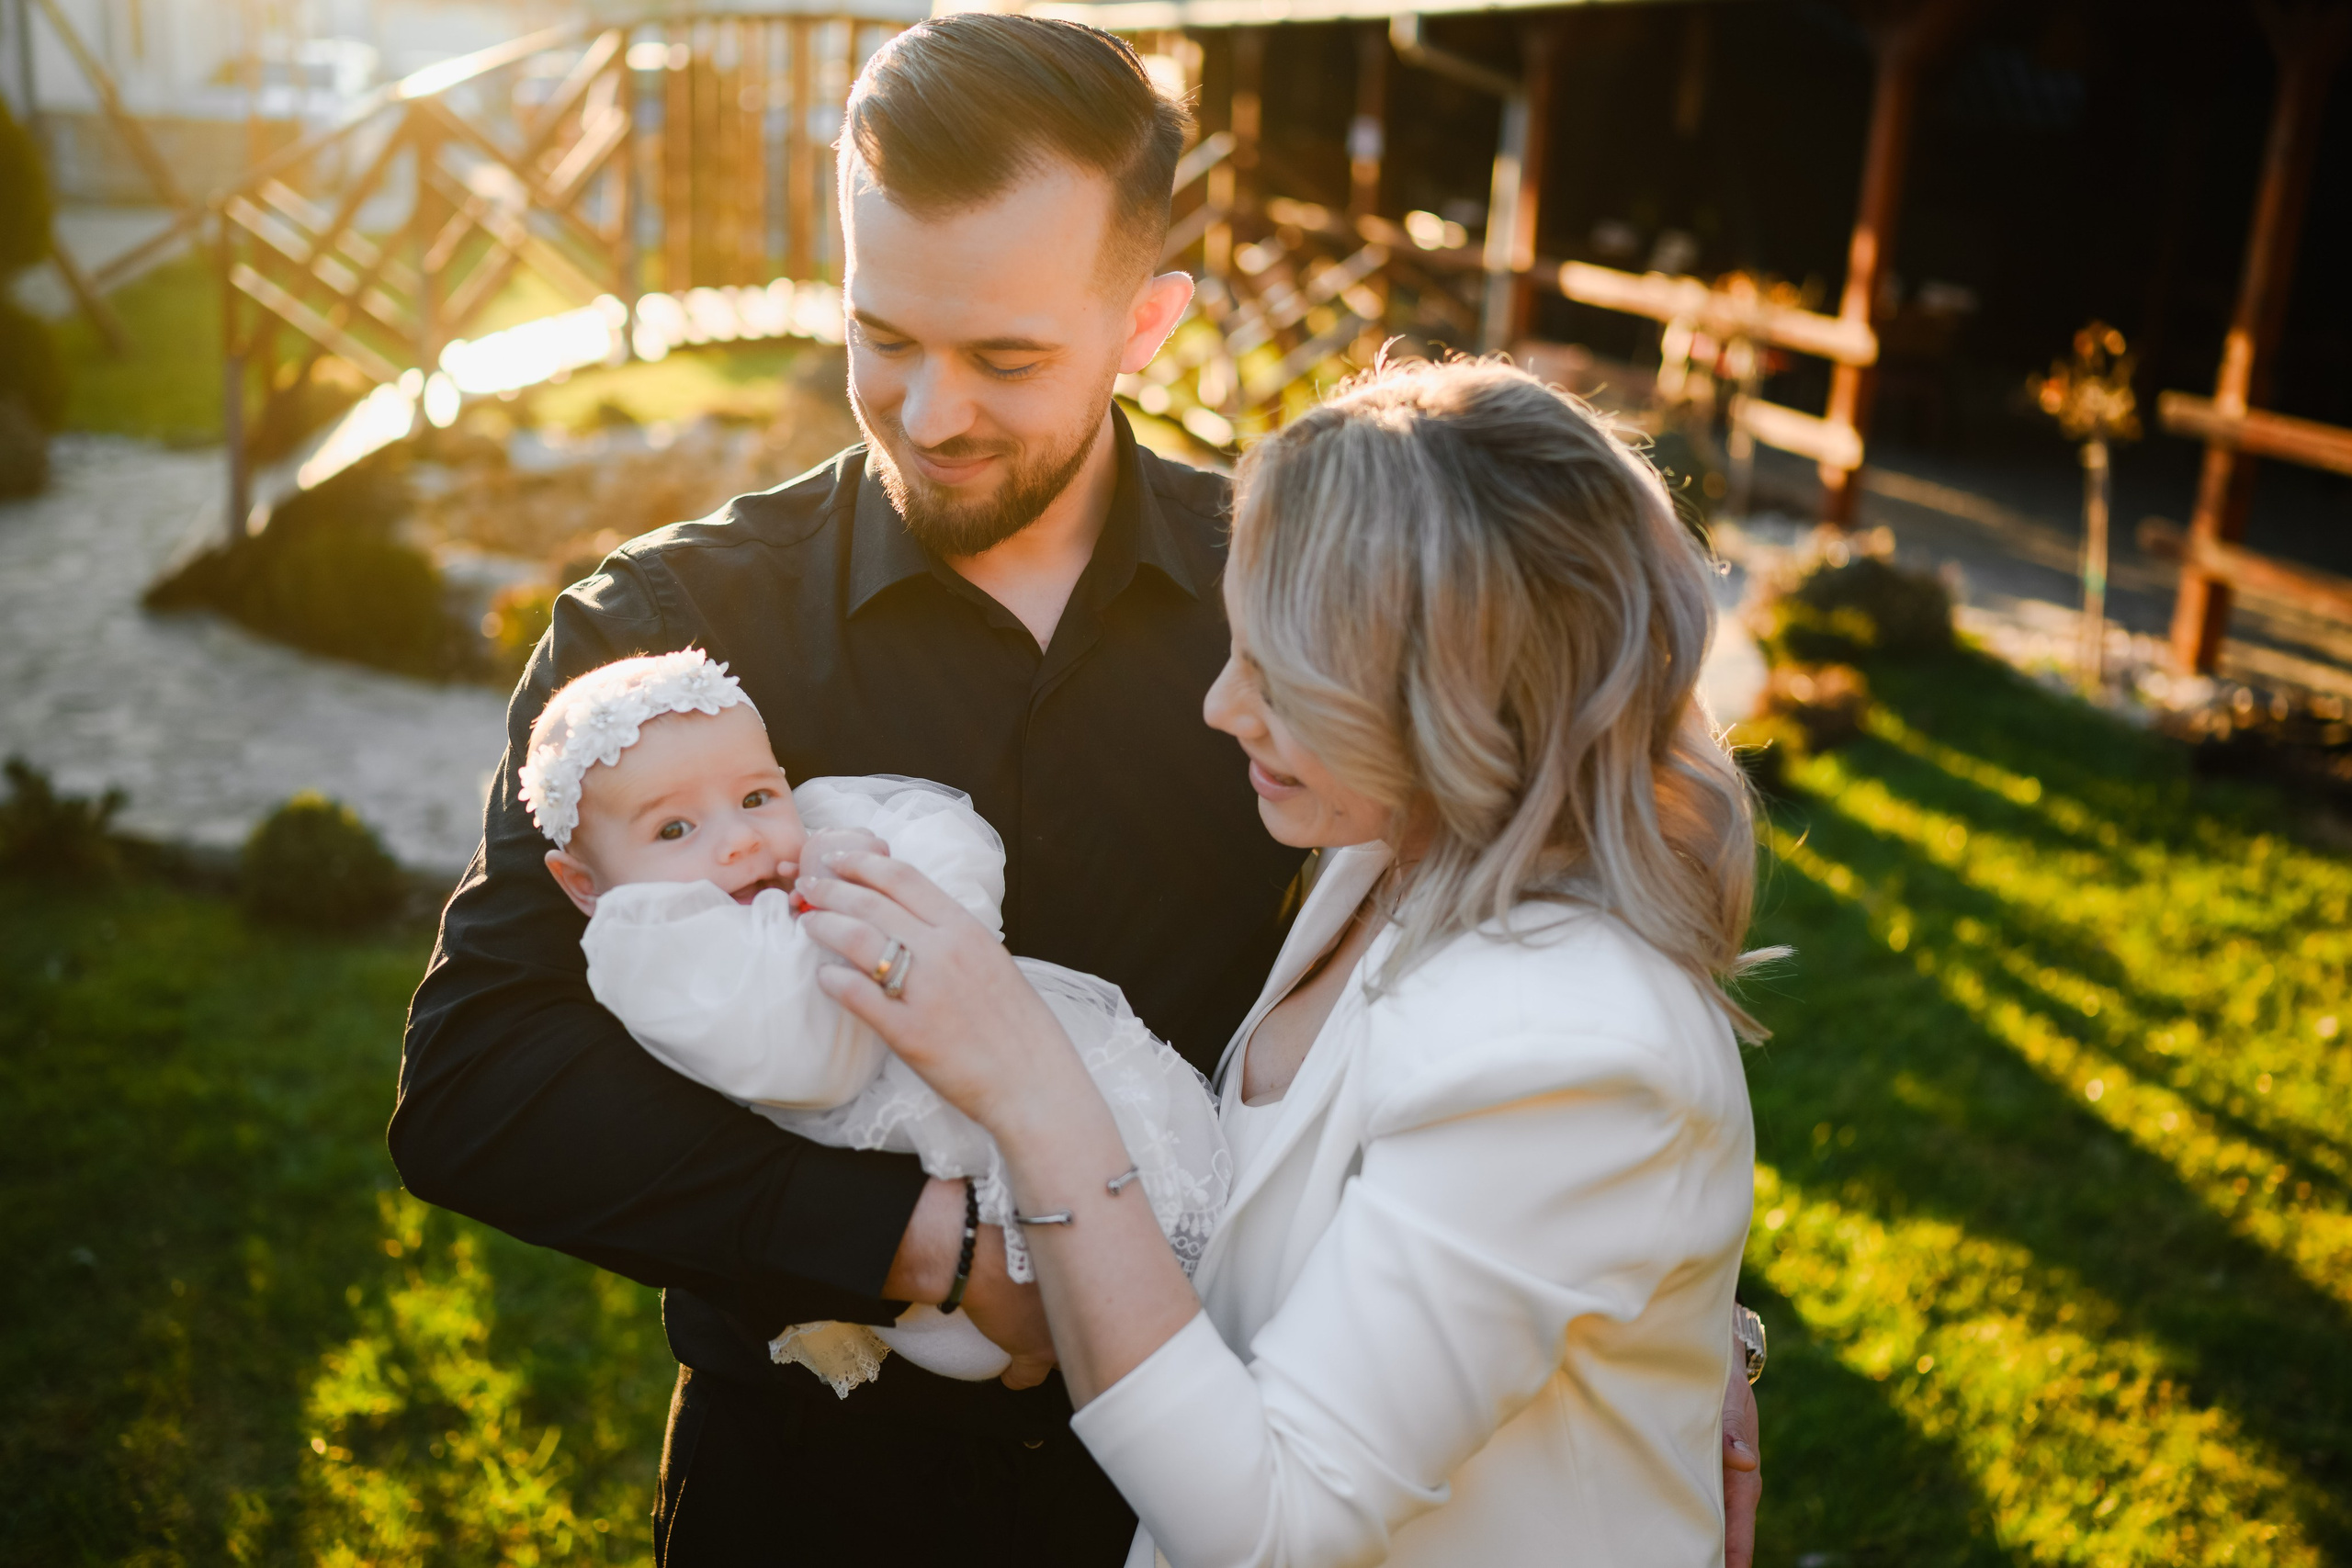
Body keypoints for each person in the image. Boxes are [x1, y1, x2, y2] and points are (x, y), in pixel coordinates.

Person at [390, 14, 1761, 1563]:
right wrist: (919, 1244)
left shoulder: (1293, 617)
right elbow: (477, 1082)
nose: (930, 412)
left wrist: (1662, 1301)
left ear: (1147, 320)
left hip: (1208, 1451)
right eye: (882, 335)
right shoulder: (659, 636)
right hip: (812, 1481)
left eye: (1007, 357)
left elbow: (1523, 916)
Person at [797, 357, 1767, 1565]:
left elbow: (1273, 1526)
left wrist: (1028, 1082)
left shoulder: (1562, 1036)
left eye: (1282, 676)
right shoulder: (1394, 853)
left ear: (1460, 698)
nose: (1221, 706)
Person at [518, 649, 1227, 1395]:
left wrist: (888, 887)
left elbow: (953, 849)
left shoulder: (821, 831)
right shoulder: (657, 952)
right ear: (584, 885)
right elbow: (823, 1062)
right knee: (1102, 1338)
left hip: (1036, 1101)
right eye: (674, 830)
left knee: (1192, 1246)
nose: (739, 840)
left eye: (758, 797)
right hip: (932, 1175)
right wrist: (860, 922)